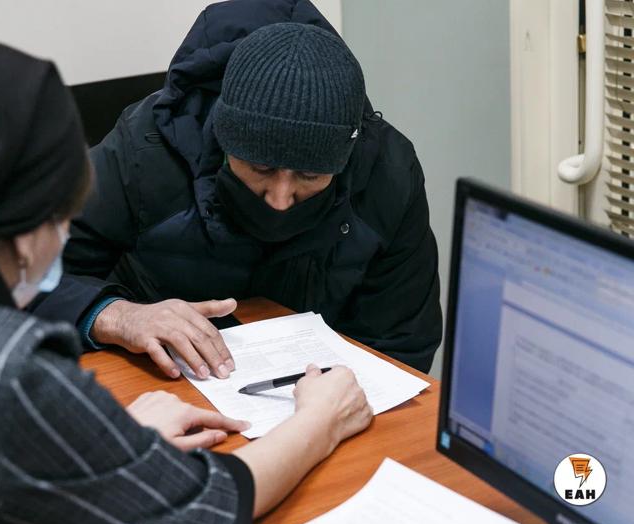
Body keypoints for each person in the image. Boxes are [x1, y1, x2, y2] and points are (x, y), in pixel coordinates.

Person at [0, 42, 372, 524]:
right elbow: (202, 511)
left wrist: (97, 445)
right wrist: (320, 421)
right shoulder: (6, 376)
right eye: (64, 213)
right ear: (24, 228)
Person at [33, 0, 443, 378]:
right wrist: (118, 315)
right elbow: (22, 276)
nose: (280, 200)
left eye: (310, 175)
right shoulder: (144, 151)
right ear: (223, 139)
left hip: (318, 394)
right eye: (260, 167)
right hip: (160, 383)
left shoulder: (388, 173)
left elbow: (402, 342)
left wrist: (338, 401)